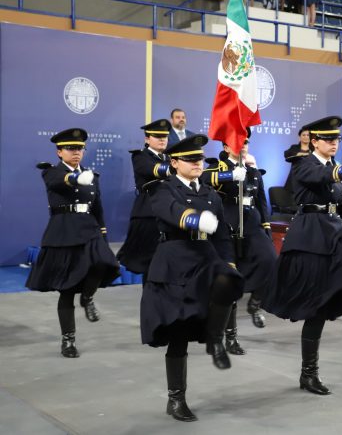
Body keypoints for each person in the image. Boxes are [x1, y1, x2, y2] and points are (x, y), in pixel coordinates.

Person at [263, 116, 342, 396]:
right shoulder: (303, 164)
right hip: (310, 237)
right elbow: (318, 177)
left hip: (333, 232)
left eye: (337, 139)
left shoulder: (335, 168)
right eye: (328, 139)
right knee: (316, 310)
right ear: (315, 141)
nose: (333, 143)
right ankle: (309, 373)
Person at [140, 134, 245, 422]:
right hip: (175, 260)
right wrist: (195, 219)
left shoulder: (211, 194)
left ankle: (215, 339)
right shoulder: (162, 189)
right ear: (174, 163)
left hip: (205, 256)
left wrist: (229, 262)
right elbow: (171, 211)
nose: (197, 163)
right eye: (189, 159)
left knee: (229, 280)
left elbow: (221, 235)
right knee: (179, 332)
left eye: (199, 158)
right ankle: (176, 399)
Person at [26, 128, 119, 358]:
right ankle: (68, 341)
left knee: (103, 262)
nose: (76, 152)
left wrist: (103, 235)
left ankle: (87, 297)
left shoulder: (92, 176)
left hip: (89, 229)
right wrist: (77, 177)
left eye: (79, 148)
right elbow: (60, 182)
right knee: (66, 291)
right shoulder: (50, 172)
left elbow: (98, 209)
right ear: (59, 152)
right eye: (70, 148)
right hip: (63, 233)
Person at [203, 132, 276, 337]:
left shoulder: (253, 172)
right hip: (227, 224)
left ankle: (255, 303)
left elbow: (261, 202)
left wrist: (266, 227)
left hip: (251, 223)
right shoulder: (218, 167)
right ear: (226, 148)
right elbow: (204, 179)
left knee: (270, 260)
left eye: (245, 142)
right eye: (237, 142)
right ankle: (231, 335)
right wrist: (230, 175)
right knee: (230, 278)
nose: (242, 145)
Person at [117, 119, 172, 279]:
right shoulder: (140, 156)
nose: (162, 140)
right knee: (149, 261)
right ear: (147, 139)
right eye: (157, 136)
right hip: (149, 212)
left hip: (170, 211)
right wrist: (179, 168)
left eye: (165, 136)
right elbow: (154, 170)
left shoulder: (170, 158)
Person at [283, 128, 312, 194]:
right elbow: (286, 154)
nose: (306, 137)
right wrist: (298, 154)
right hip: (295, 178)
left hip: (309, 178)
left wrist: (304, 154)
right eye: (303, 135)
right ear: (300, 137)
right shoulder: (294, 147)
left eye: (308, 135)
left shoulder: (314, 149)